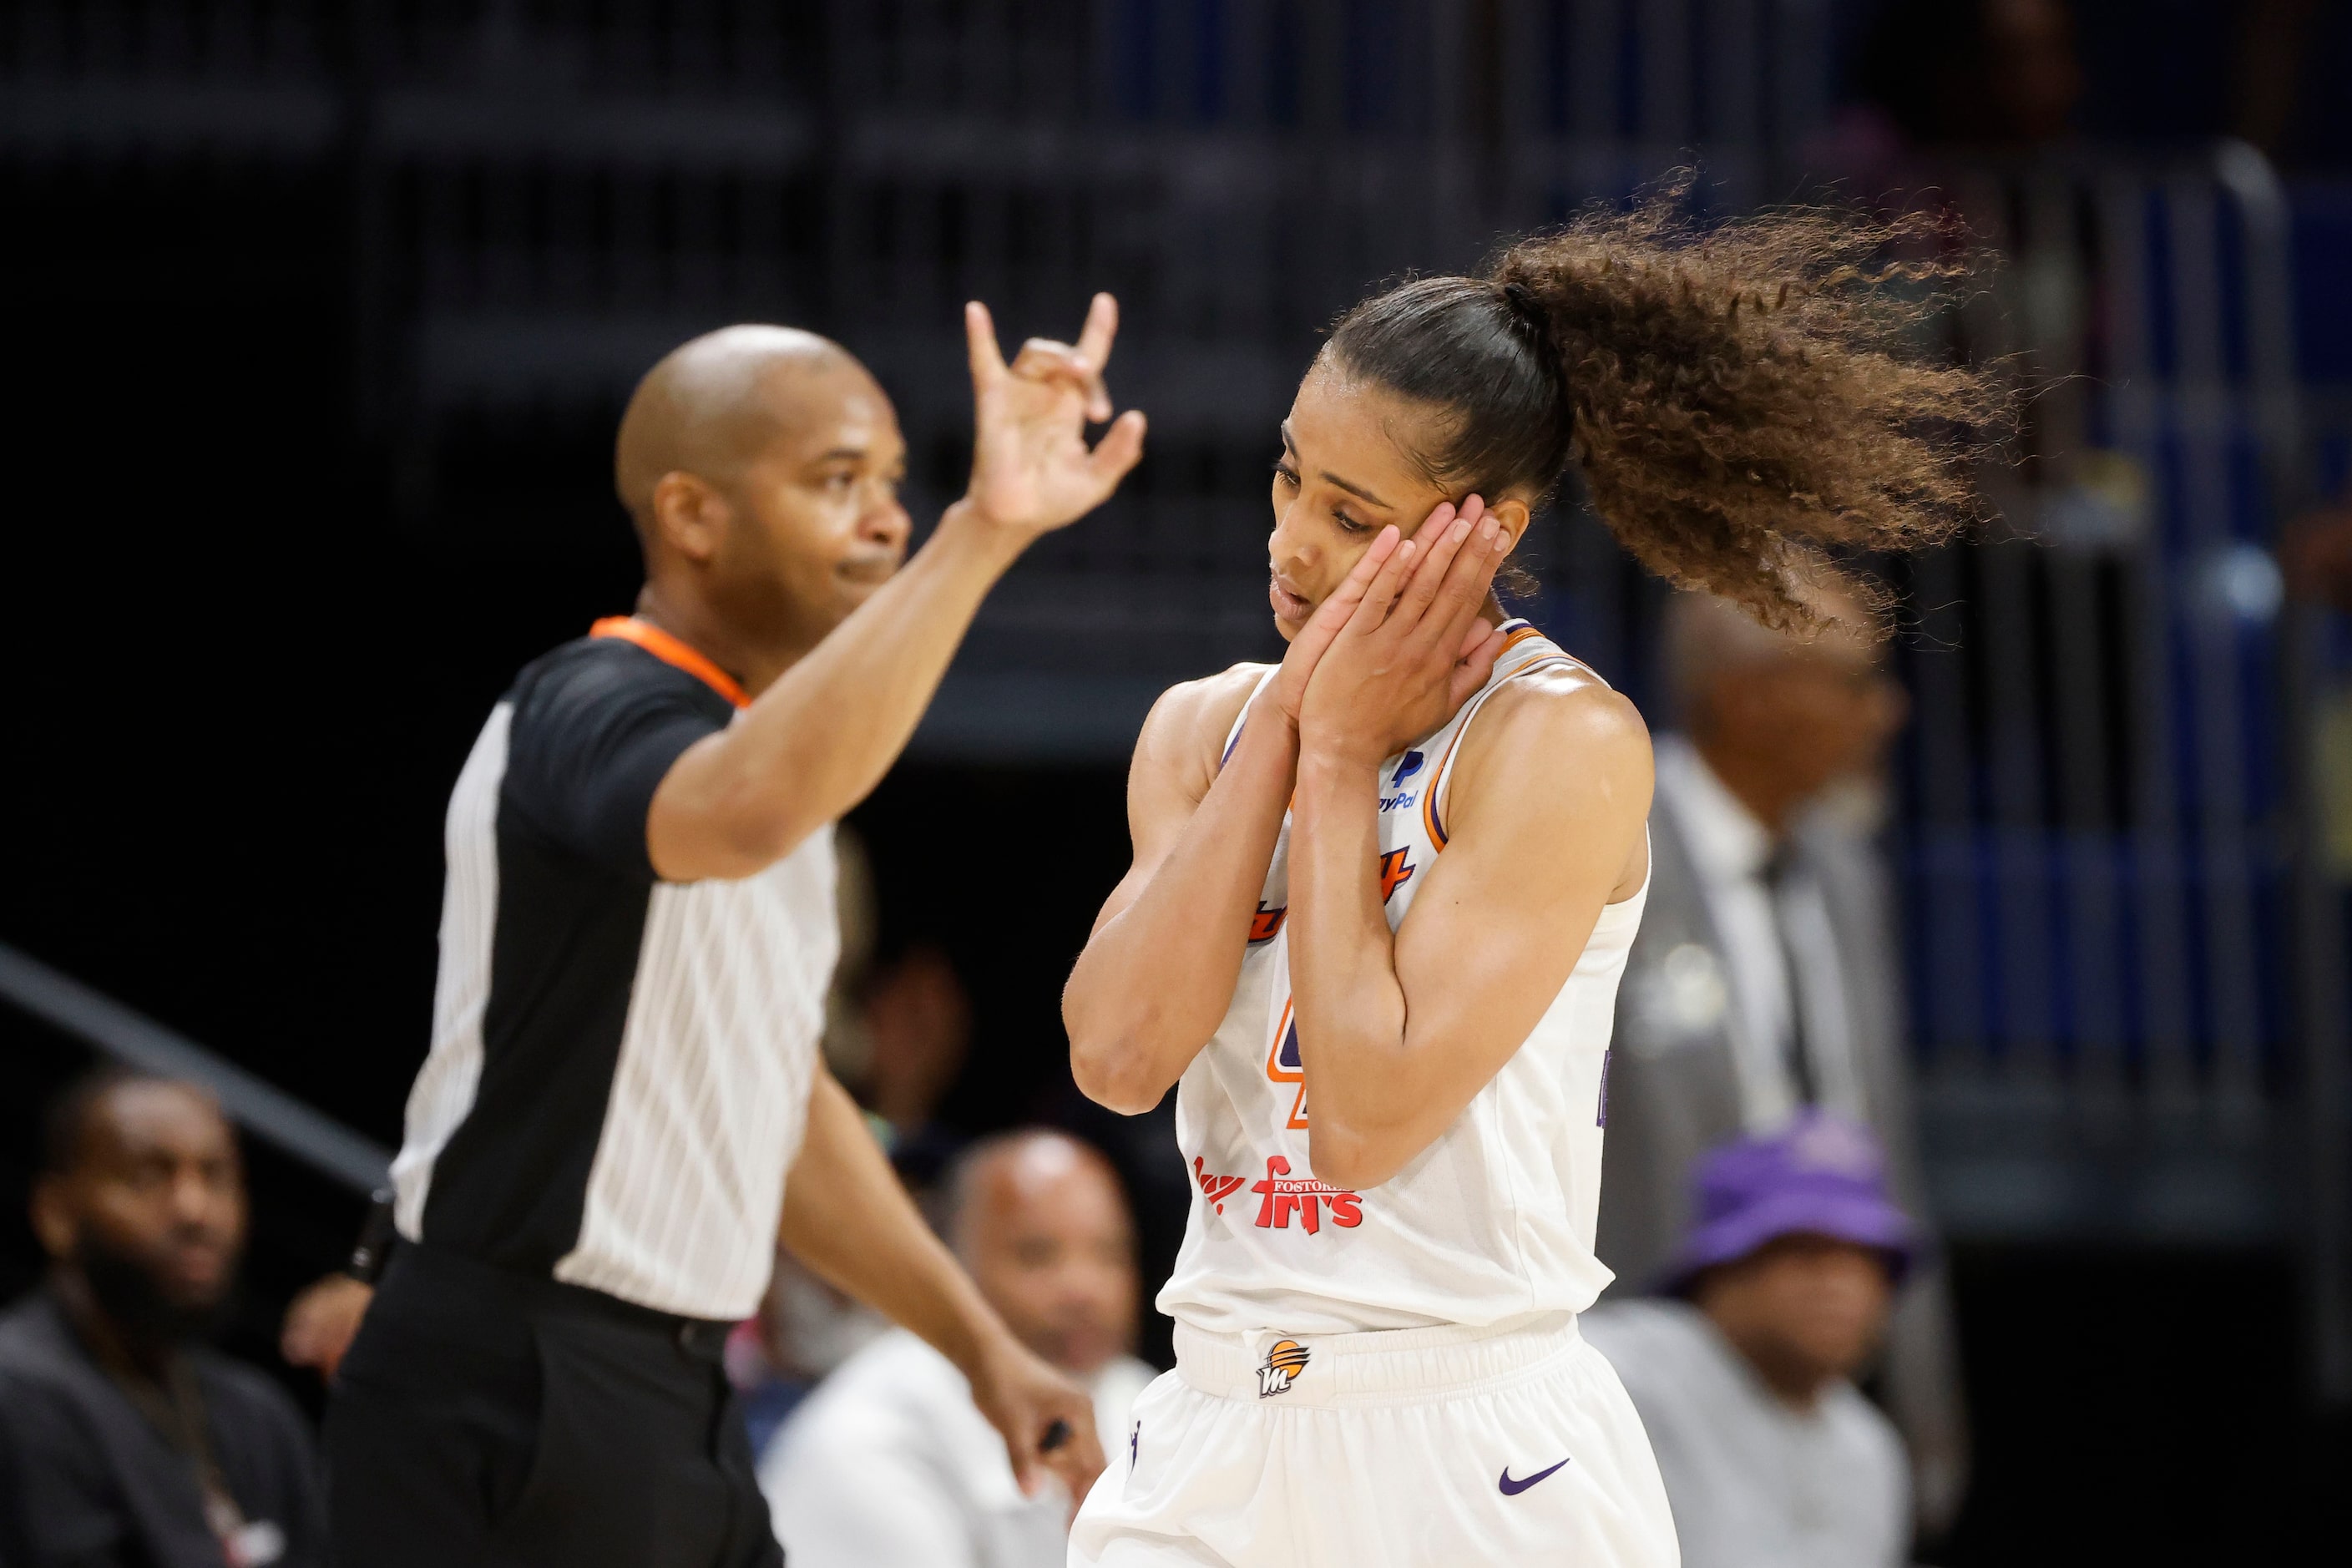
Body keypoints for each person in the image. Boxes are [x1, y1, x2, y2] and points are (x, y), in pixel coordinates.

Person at [1058, 185, 2003, 1565]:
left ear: (1482, 527)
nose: (1290, 538)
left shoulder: (1560, 740)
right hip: (1211, 1414)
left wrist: (1337, 766)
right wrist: (1291, 735)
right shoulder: (1202, 724)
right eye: (1285, 475)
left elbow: (1365, 1119)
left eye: (1347, 507)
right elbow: (1119, 1054)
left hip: (1464, 1445)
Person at [291, 295, 1147, 1568]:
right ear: (692, 514)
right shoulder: (586, 705)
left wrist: (980, 1349)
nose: (886, 517)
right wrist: (981, 531)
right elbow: (743, 808)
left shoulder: (777, 785)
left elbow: (781, 1111)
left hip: (662, 1382)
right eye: (836, 479)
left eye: (899, 483)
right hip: (512, 1361)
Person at [1596, 585, 1970, 1529]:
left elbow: (1881, 1135)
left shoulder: (1846, 869)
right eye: (1853, 683)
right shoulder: (1605, 849)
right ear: (1746, 696)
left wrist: (1922, 1391)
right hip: (1634, 1375)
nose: (1885, 711)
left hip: (1824, 1375)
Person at [760, 1130, 1156, 1566]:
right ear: (953, 1262)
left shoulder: (1149, 1400)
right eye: (1037, 1254)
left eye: (1110, 1255)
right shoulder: (867, 1443)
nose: (1084, 1288)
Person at [0, 1070, 325, 1568]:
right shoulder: (18, 1394)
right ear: (57, 1214)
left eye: (216, 1175)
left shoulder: (260, 1416)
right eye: (148, 1177)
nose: (195, 1210)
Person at [1584, 1115, 1917, 1568]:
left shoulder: (1869, 1450)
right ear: (1720, 1267)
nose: (1841, 1284)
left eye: (1866, 1261)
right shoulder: (1602, 1375)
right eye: (1806, 1252)